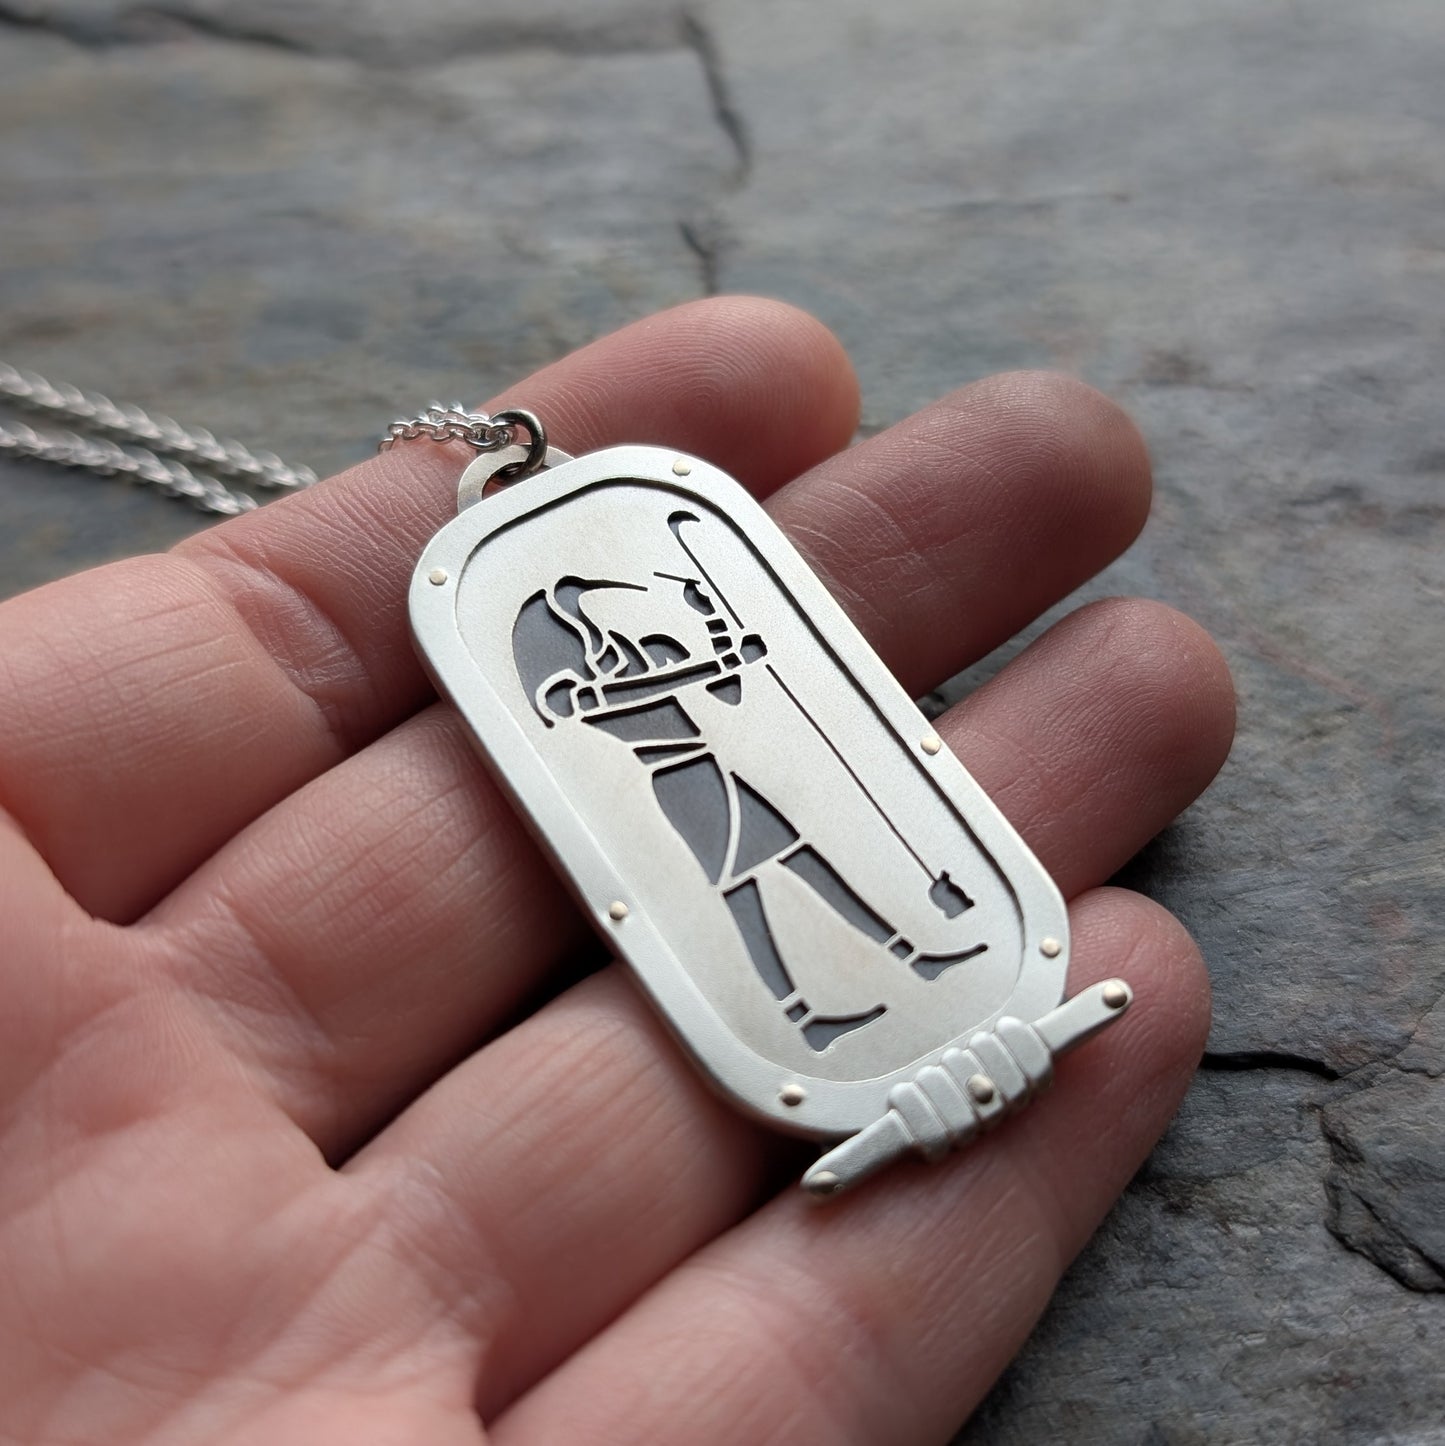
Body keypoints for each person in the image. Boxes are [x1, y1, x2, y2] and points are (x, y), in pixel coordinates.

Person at [0, 297, 1234, 1443]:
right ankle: (820, 995)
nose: (605, 610)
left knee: (794, 853)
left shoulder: (619, 618)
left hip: (710, 754)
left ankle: (903, 955)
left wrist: (707, 654)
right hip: (670, 786)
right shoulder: (553, 648)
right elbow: (579, 711)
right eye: (593, 603)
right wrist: (656, 676)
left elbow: (700, 664)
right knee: (752, 880)